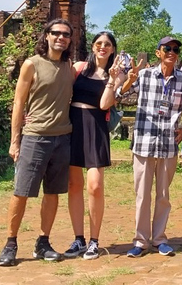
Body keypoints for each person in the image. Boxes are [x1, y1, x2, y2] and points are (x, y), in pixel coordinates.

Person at [0, 19, 74, 266]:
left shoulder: (69, 66)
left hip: (62, 138)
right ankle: (10, 242)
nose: (61, 38)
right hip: (35, 137)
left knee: (52, 193)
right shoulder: (32, 64)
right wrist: (14, 140)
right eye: (56, 33)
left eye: (66, 34)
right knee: (21, 192)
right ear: (47, 36)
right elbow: (18, 103)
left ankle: (43, 242)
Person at [119, 36, 182, 257]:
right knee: (142, 194)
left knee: (163, 194)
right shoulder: (143, 75)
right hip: (144, 142)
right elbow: (121, 97)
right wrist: (129, 80)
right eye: (167, 48)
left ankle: (159, 238)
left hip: (169, 143)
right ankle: (140, 240)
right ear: (158, 52)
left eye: (176, 49)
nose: (172, 52)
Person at [63, 32, 125, 260]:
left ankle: (94, 240)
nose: (102, 47)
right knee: (73, 184)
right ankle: (78, 238)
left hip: (96, 126)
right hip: (73, 124)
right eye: (99, 43)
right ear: (93, 46)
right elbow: (62, 93)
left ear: (112, 49)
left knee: (95, 186)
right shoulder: (78, 67)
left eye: (107, 45)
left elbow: (104, 103)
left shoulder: (118, 75)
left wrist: (111, 78)